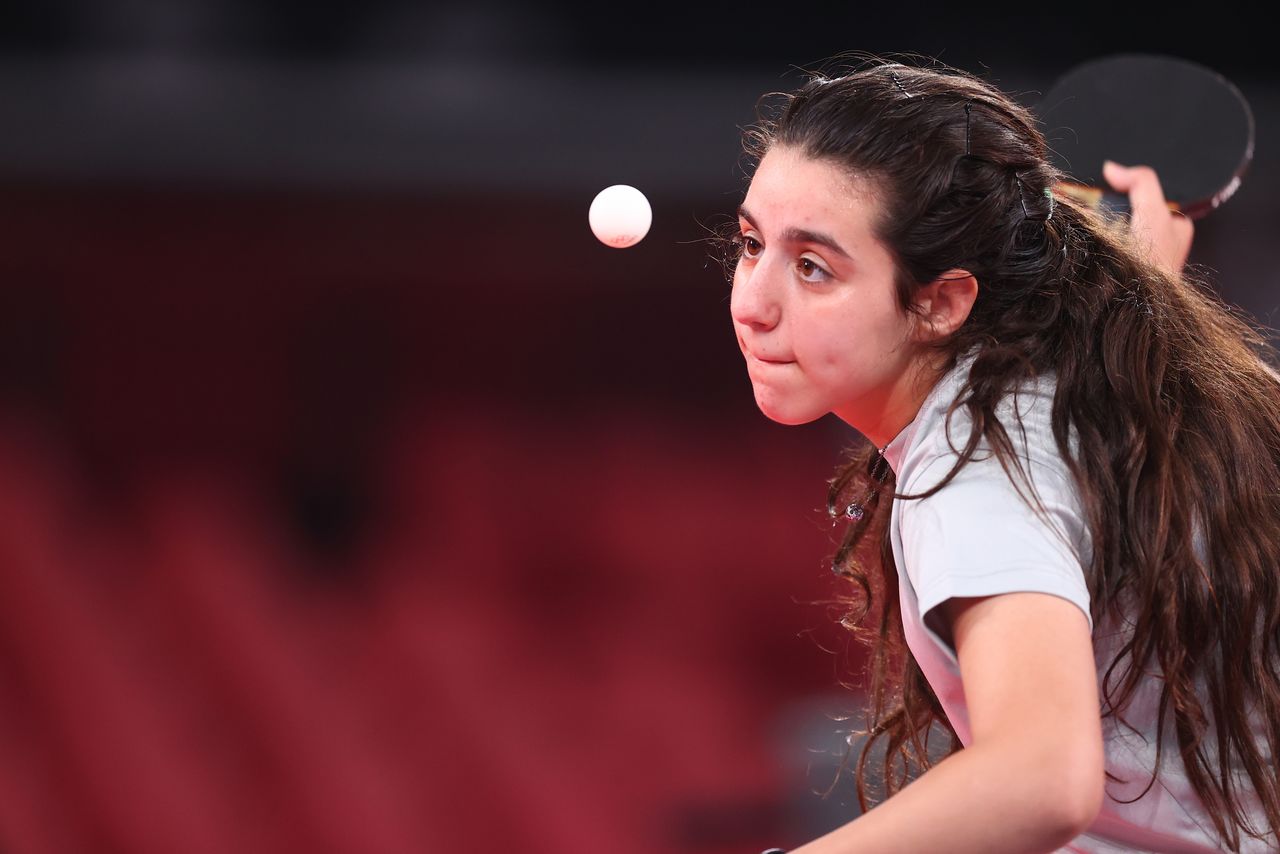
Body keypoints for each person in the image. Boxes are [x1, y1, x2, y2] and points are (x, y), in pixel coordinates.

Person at [725, 57, 1279, 853]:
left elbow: (1040, 778)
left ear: (941, 303)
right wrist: (1139, 269)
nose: (752, 303)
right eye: (751, 245)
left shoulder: (976, 473)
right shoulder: (1095, 379)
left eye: (814, 268)